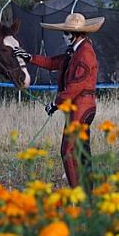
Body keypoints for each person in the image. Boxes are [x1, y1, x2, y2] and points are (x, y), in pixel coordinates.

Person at [13, 12, 104, 189]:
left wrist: (55, 104)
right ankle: (86, 192)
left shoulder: (85, 54)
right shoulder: (75, 51)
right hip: (79, 107)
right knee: (81, 151)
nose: (63, 37)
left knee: (68, 151)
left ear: (75, 35)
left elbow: (76, 87)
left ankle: (79, 194)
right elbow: (53, 63)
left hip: (82, 108)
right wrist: (28, 57)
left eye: (65, 33)